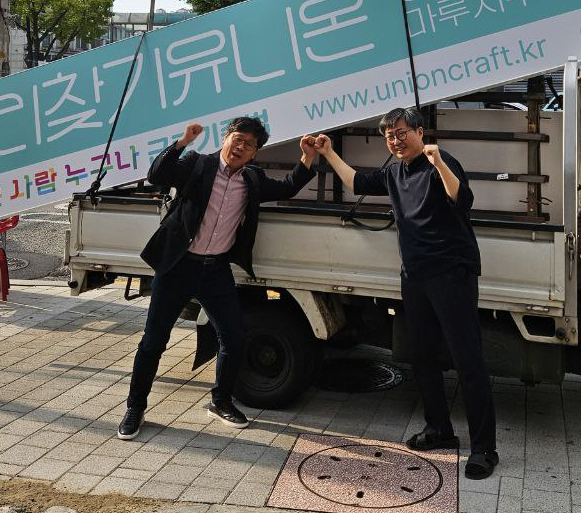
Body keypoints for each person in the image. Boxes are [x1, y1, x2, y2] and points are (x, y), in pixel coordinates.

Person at [313, 107, 498, 479]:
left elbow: (463, 200)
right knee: (422, 356)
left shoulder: (440, 163)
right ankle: (439, 429)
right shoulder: (394, 172)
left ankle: (484, 449)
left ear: (419, 132)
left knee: (467, 360)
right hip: (414, 276)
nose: (396, 141)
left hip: (452, 274)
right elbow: (356, 182)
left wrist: (438, 162)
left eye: (401, 133)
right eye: (389, 137)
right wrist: (328, 152)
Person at [117, 116, 317, 440]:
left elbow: (287, 187)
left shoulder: (252, 179)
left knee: (234, 338)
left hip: (215, 270)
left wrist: (307, 156)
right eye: (237, 139)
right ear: (226, 138)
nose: (241, 147)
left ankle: (221, 401)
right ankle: (135, 408)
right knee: (153, 342)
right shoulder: (198, 164)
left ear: (255, 153)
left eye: (249, 144)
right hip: (178, 266)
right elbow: (157, 175)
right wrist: (183, 142)